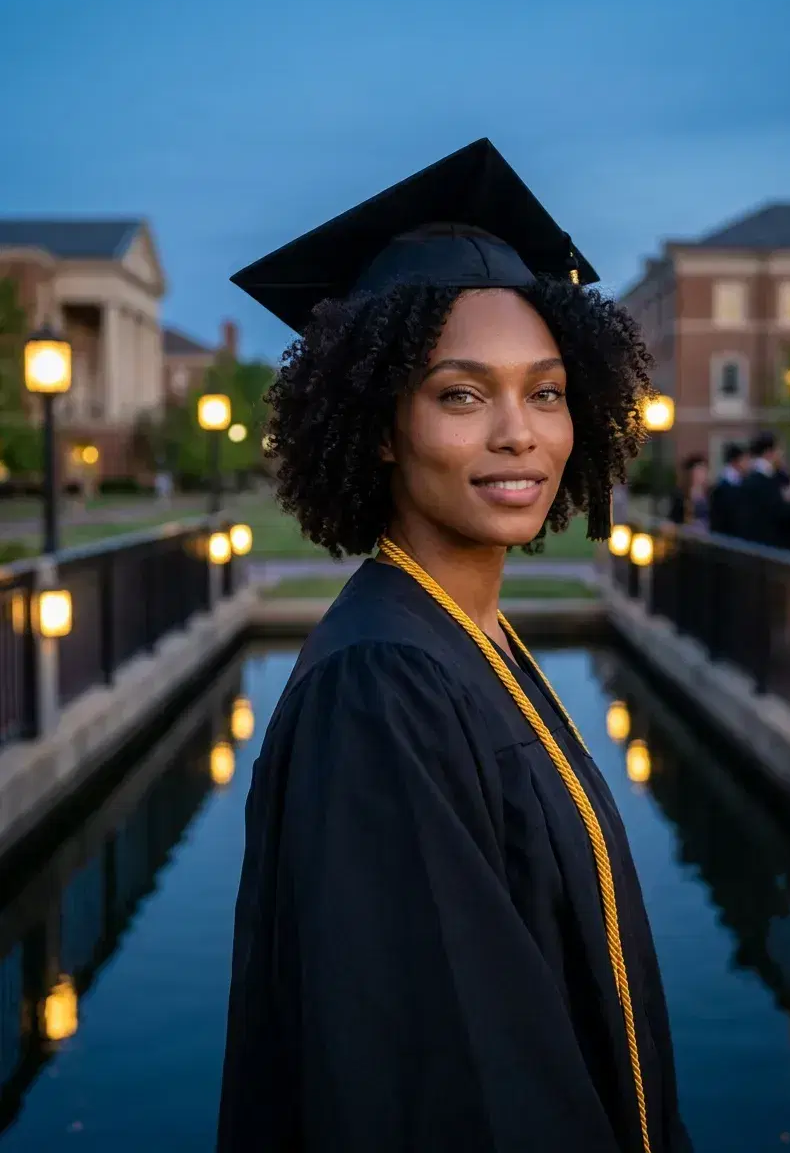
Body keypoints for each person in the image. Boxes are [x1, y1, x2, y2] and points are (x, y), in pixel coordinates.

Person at [218, 139, 690, 1153]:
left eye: (548, 391)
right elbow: (454, 1086)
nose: (518, 433)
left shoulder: (469, 637)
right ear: (380, 425)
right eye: (460, 395)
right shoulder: (382, 684)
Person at [740, 432, 790, 550]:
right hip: (769, 548)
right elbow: (775, 511)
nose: (782, 454)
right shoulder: (758, 481)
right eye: (779, 450)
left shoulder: (776, 476)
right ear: (769, 452)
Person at [709, 442, 749, 537]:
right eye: (745, 460)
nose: (748, 464)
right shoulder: (723, 486)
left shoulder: (740, 481)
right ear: (736, 461)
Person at [668, 453, 709, 528]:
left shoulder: (710, 494)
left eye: (703, 471)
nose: (701, 474)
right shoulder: (680, 495)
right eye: (698, 471)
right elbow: (674, 518)